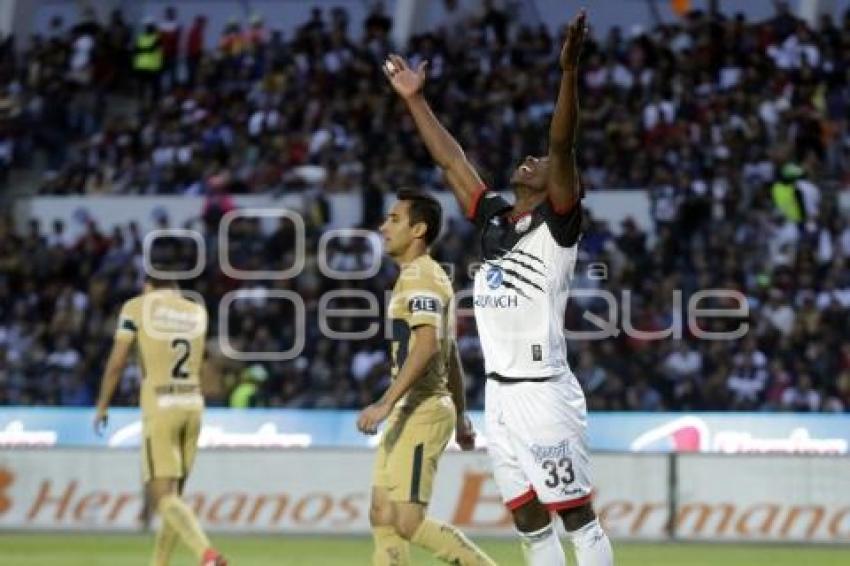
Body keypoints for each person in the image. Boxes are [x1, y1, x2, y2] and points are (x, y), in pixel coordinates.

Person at [382, 9, 614, 566]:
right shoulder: (494, 222)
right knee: (530, 523)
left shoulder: (558, 225)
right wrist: (414, 100)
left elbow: (562, 145)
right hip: (500, 395)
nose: (530, 159)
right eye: (529, 158)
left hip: (543, 390)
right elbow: (450, 159)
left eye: (539, 162)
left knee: (576, 516)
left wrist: (567, 72)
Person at [357, 190, 496, 565]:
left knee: (407, 520)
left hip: (420, 410)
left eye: (394, 220)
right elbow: (449, 354)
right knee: (382, 514)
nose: (383, 227)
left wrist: (385, 403)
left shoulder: (421, 278)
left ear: (418, 229)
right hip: (412, 408)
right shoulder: (419, 276)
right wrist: (463, 415)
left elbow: (427, 346)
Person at [94, 276, 227, 566]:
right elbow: (202, 361)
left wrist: (103, 404)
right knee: (174, 497)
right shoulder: (196, 312)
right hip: (192, 404)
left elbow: (117, 362)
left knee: (161, 497)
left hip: (161, 404)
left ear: (148, 285)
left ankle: (208, 555)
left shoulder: (136, 307)